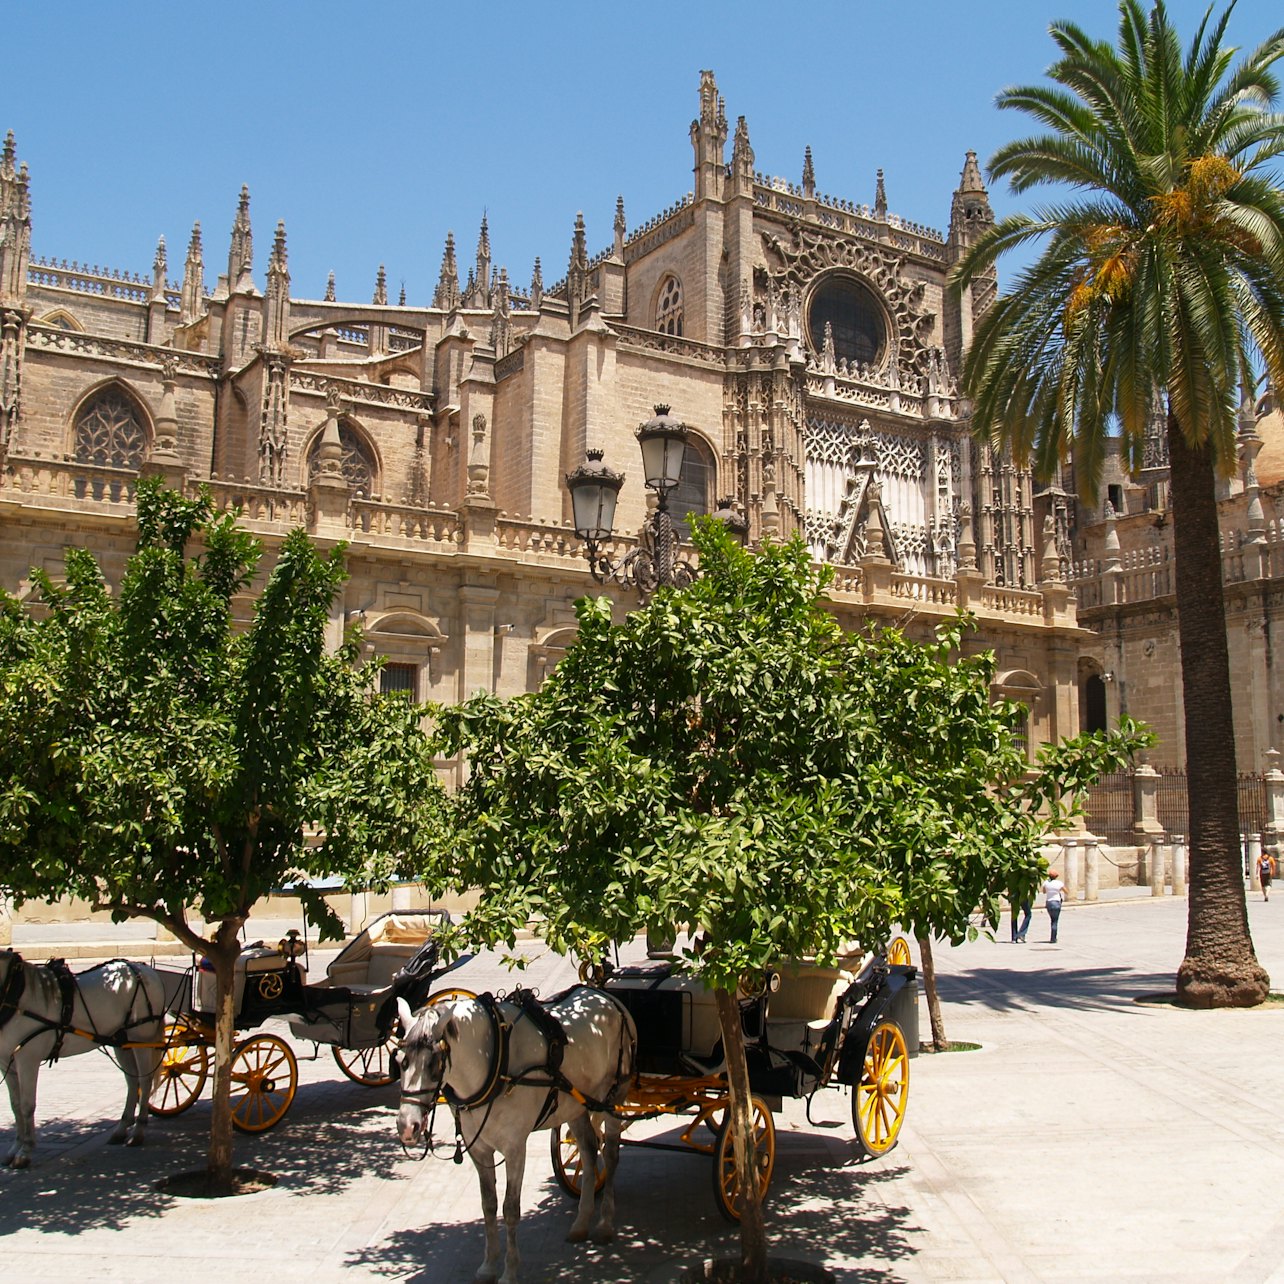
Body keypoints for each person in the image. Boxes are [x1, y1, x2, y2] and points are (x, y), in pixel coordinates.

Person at [1043, 870, 1066, 944]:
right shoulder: (1059, 883)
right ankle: (1053, 938)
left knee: (1052, 920)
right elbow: (1066, 891)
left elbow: (1043, 891)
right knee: (1055, 921)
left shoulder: (1046, 883)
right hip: (1056, 902)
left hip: (1049, 902)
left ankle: (1053, 937)